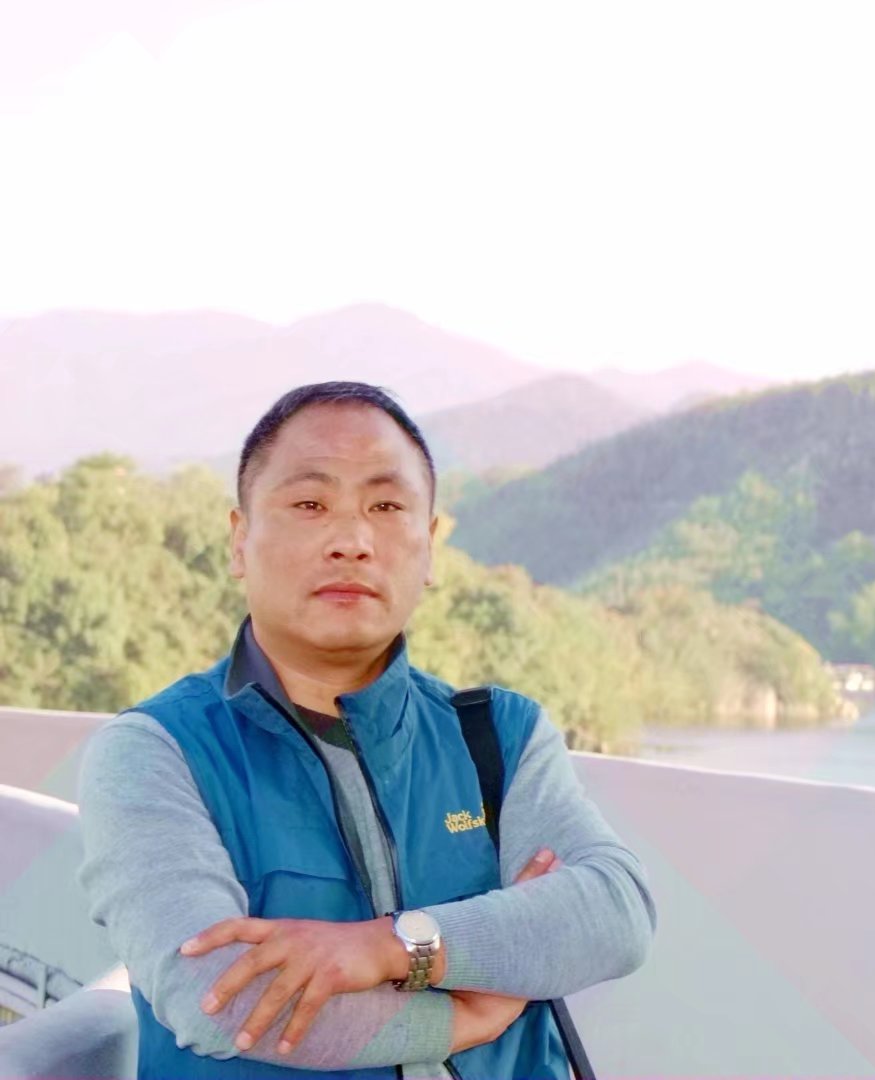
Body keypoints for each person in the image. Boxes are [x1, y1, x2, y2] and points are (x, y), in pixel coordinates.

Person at [76, 381, 657, 1079]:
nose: (351, 541)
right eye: (309, 504)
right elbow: (222, 999)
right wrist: (466, 1016)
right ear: (239, 541)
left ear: (430, 547)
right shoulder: (156, 752)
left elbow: (613, 912)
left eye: (385, 507)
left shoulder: (497, 736)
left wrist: (392, 947)